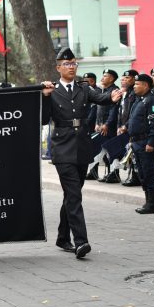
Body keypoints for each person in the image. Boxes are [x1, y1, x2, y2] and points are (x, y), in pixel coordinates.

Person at [41, 48, 122, 259]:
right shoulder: (51, 89)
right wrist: (43, 98)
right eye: (66, 64)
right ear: (58, 68)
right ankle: (81, 241)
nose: (71, 67)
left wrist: (112, 98)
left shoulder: (83, 88)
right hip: (62, 147)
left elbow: (101, 97)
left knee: (72, 194)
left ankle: (62, 237)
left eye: (74, 63)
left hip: (82, 146)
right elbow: (42, 119)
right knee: (75, 195)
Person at [128, 74, 154, 214]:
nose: (134, 86)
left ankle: (152, 204)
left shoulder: (152, 100)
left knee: (149, 172)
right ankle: (147, 201)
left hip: (145, 142)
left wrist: (151, 142)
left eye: (137, 84)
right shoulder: (139, 100)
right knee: (141, 173)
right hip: (136, 141)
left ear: (146, 85)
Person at [95, 69, 120, 183]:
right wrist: (97, 123)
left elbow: (113, 110)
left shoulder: (115, 91)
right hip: (101, 125)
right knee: (104, 152)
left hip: (109, 127)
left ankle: (114, 174)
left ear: (111, 78)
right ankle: (109, 173)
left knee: (111, 150)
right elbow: (99, 109)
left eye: (105, 76)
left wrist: (107, 124)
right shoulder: (103, 90)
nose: (102, 78)